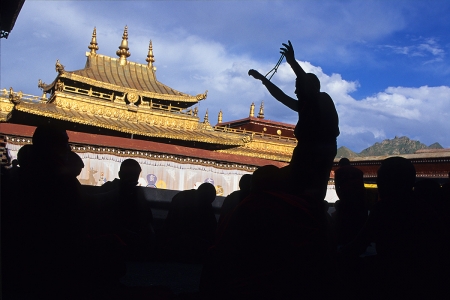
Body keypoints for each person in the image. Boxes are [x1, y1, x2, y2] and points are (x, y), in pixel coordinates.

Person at [248, 40, 339, 200]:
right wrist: (263, 79)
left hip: (311, 167)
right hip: (304, 163)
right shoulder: (305, 107)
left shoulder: (323, 100)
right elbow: (282, 97)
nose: (296, 91)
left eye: (298, 86)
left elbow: (306, 87)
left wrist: (292, 62)